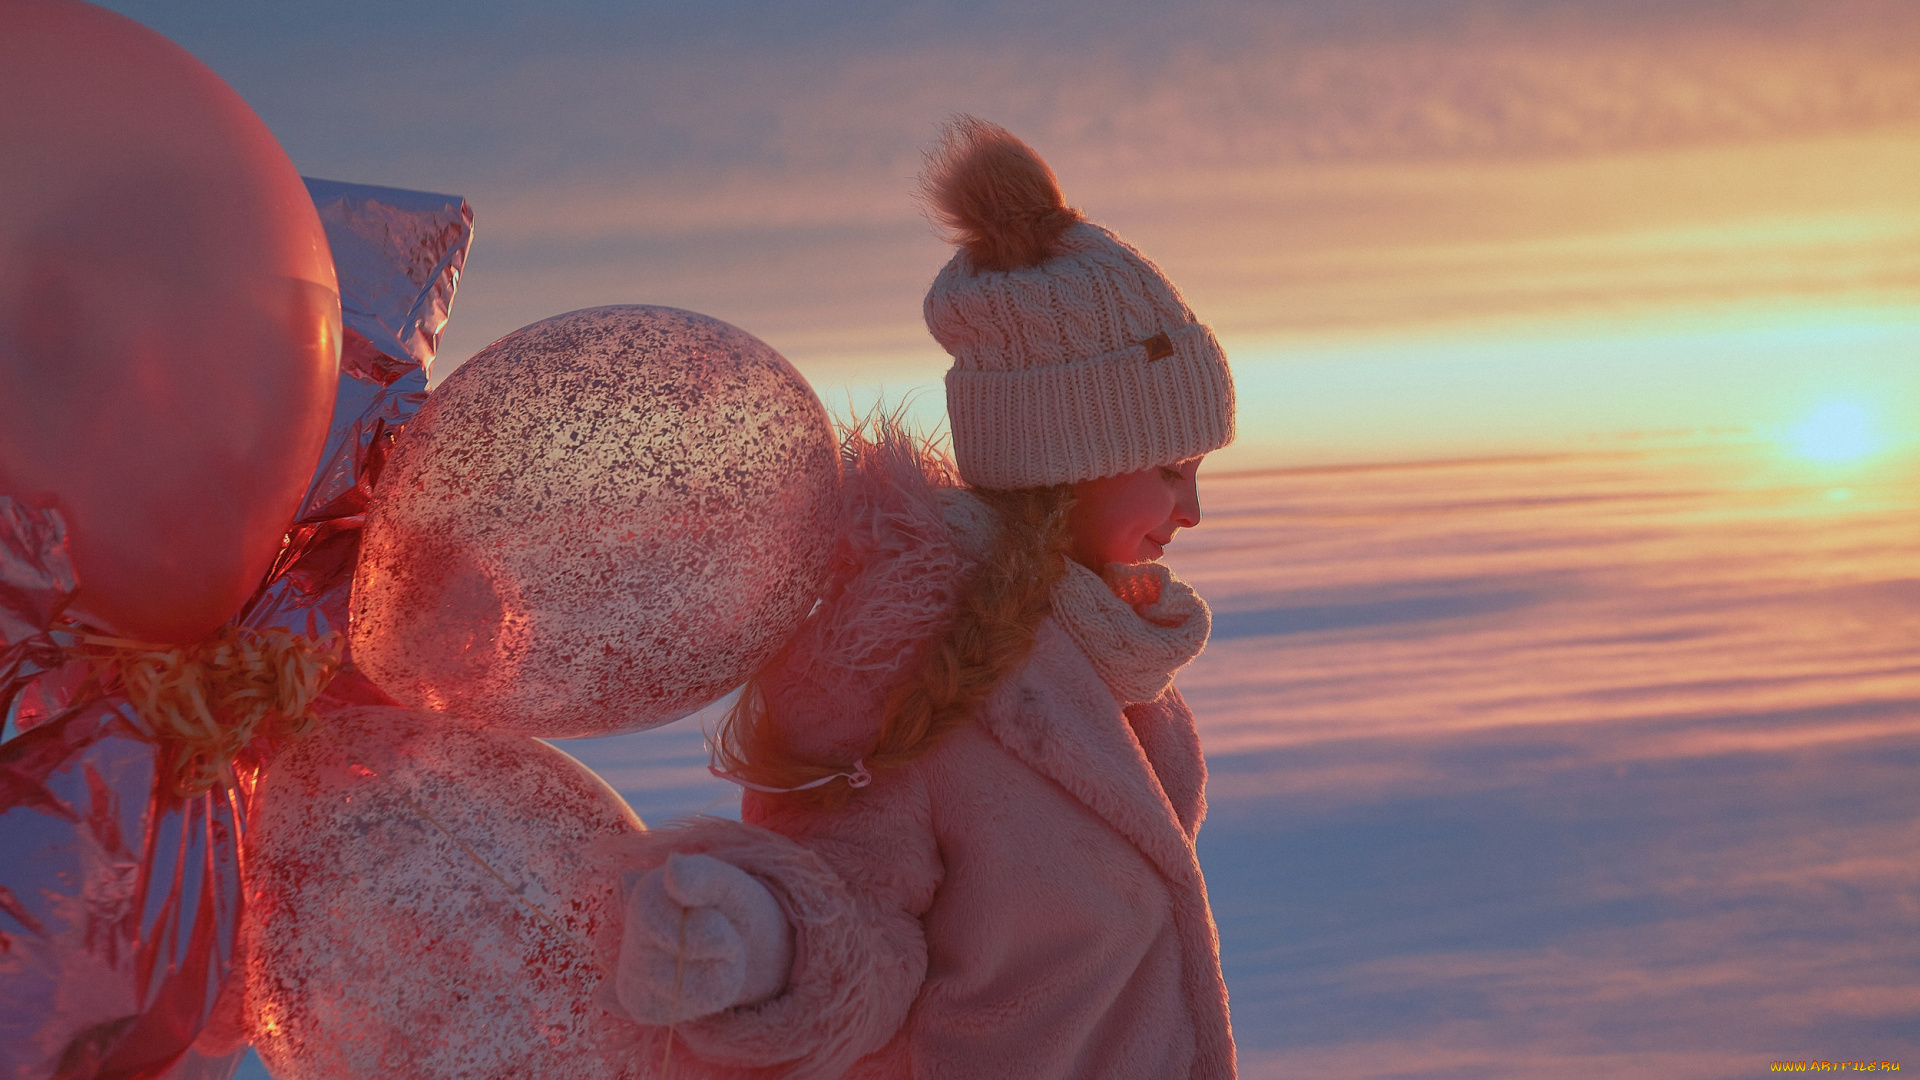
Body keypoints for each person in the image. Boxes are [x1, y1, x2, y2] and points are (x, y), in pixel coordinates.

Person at [601, 116, 1238, 1079]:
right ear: (1073, 458)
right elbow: (854, 905)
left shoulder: (1113, 648)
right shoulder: (906, 659)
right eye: (1172, 469)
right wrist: (764, 944)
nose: (1192, 512)